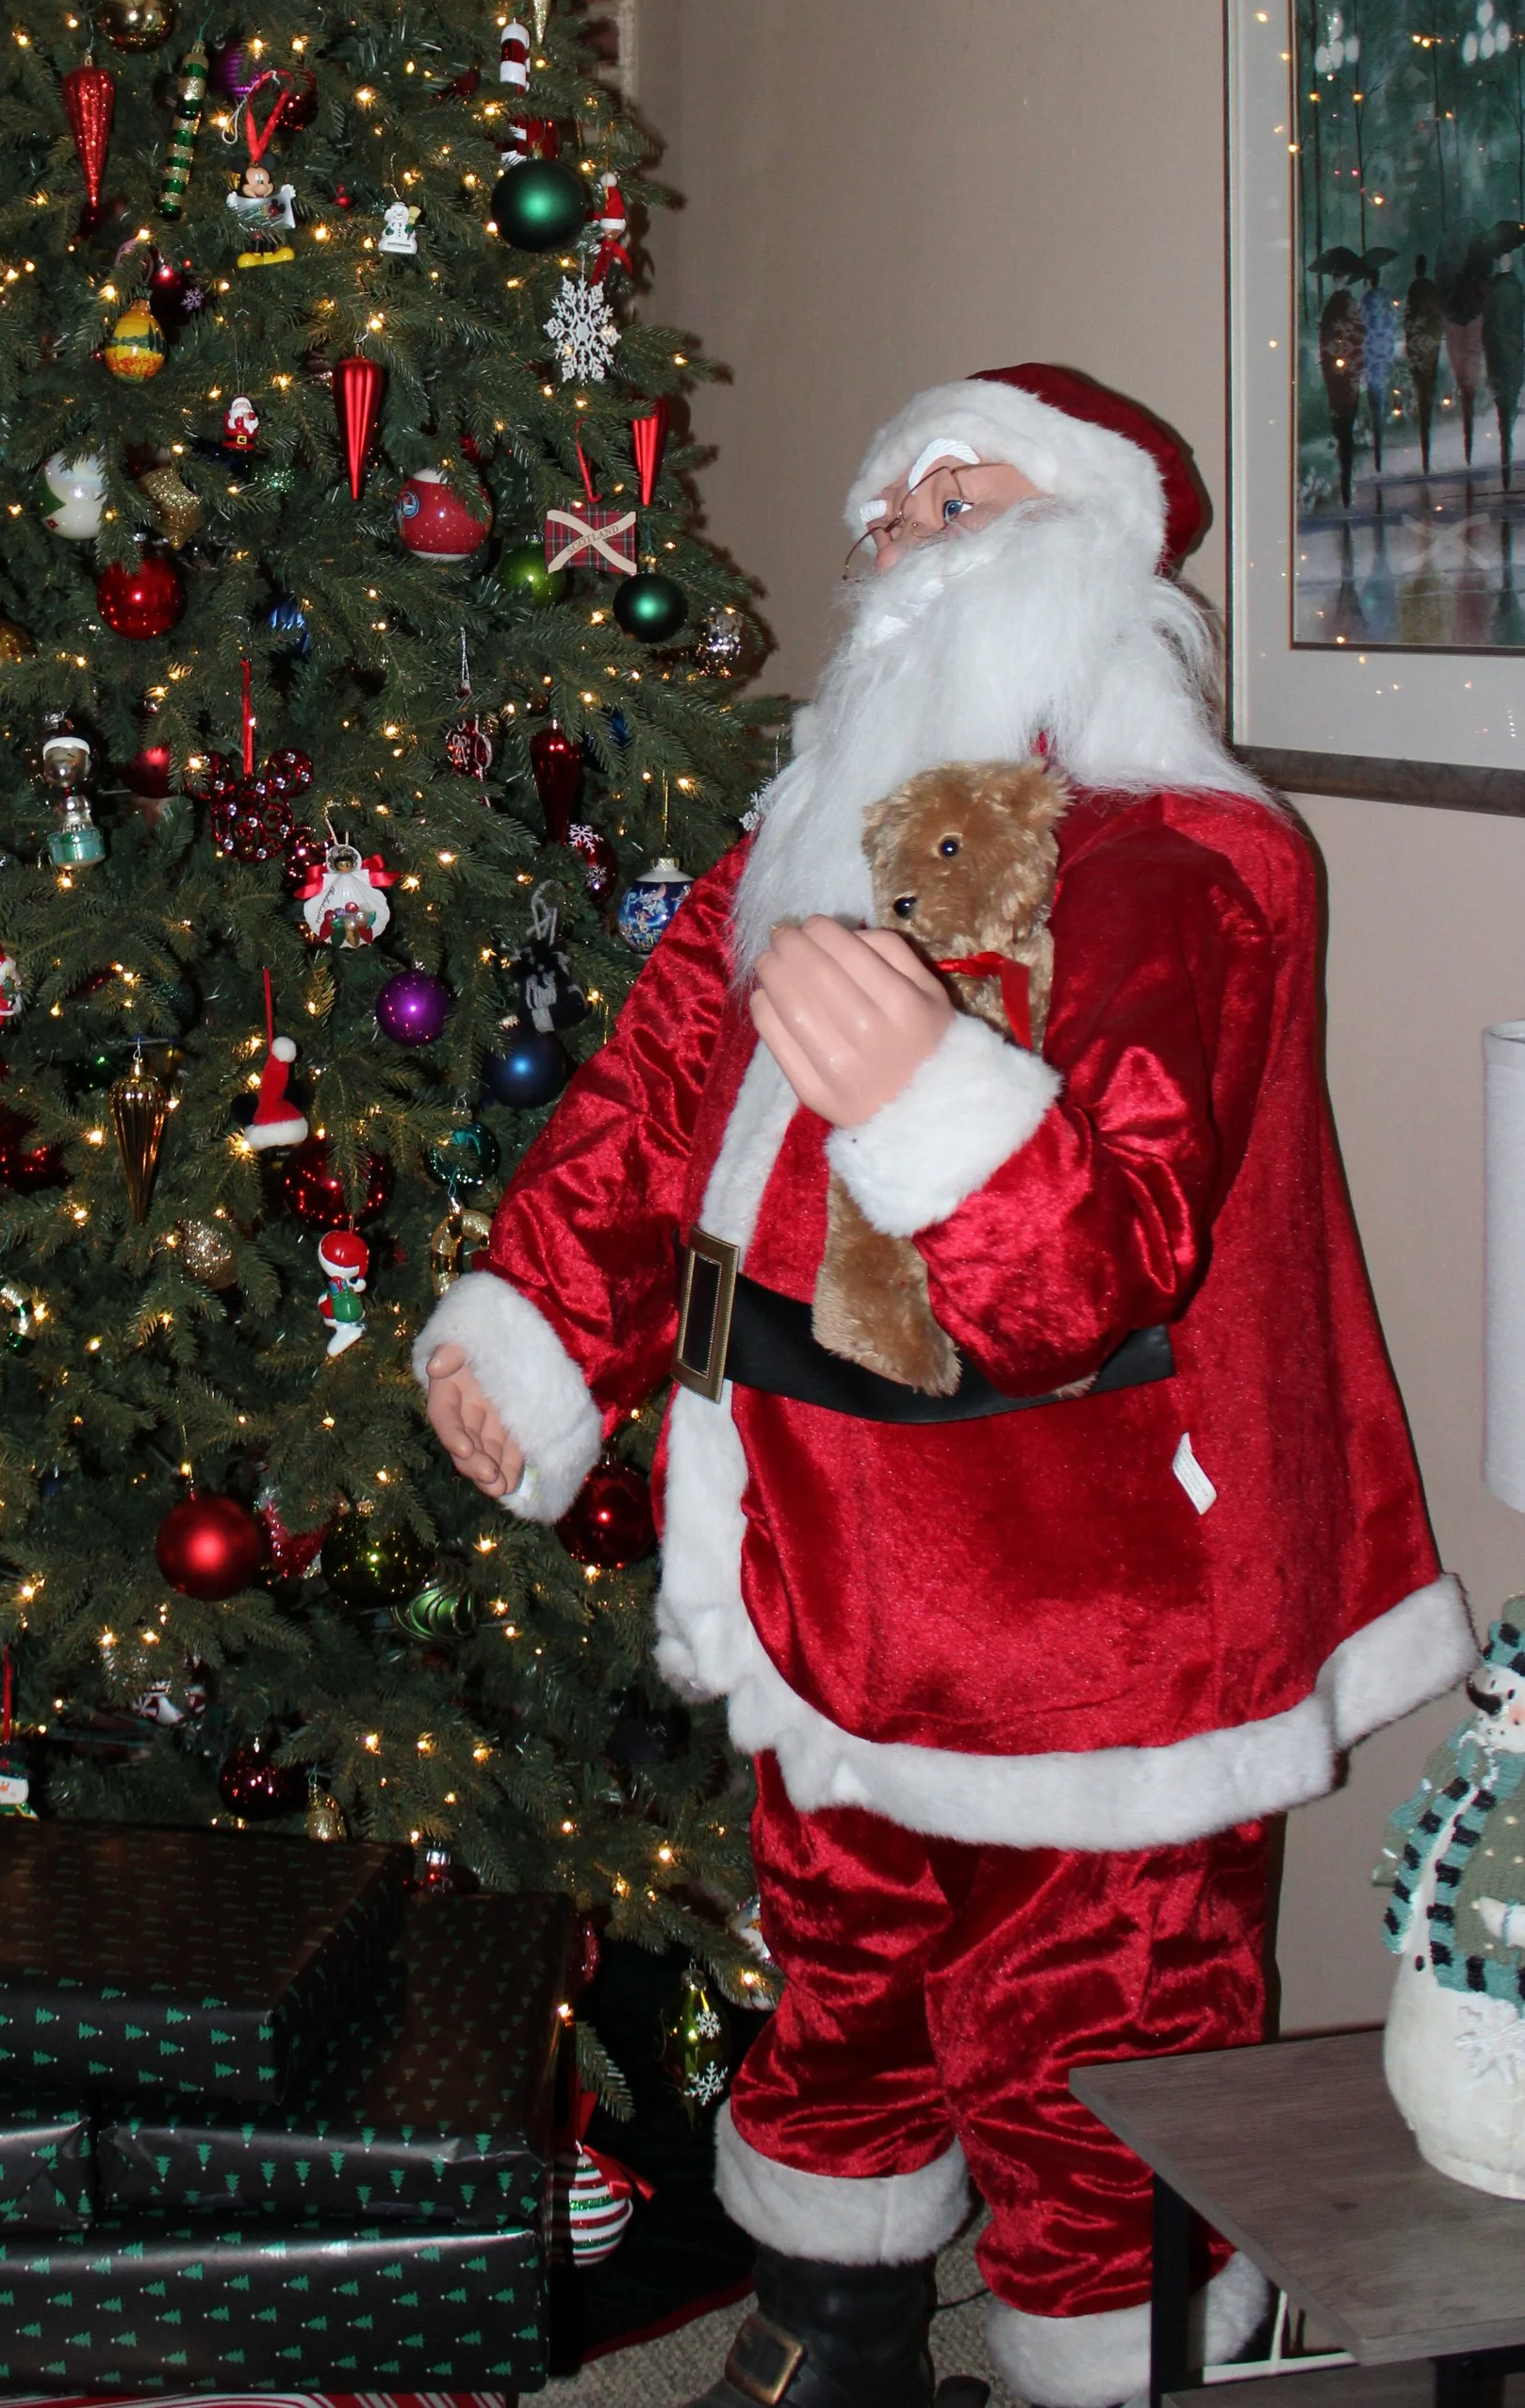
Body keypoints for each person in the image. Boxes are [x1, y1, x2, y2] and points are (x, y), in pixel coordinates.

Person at [417, 365, 1469, 2408]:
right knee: (839, 1994)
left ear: (1087, 548)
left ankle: (1112, 2370)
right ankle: (833, 2326)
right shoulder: (792, 853)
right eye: (879, 520)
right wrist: (536, 1333)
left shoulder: (1192, 869)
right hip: (817, 1565)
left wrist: (922, 1095)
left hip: (1090, 1631)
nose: (895, 553)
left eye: (950, 502)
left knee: (1098, 2059)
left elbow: (1097, 1263)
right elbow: (645, 1110)